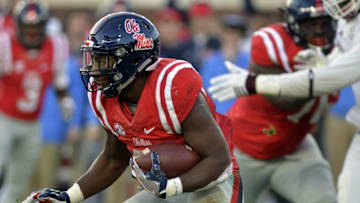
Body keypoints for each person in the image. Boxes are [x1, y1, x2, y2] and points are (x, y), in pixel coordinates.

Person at [23, 12, 243, 203]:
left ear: (131, 60)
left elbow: (218, 159)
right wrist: (70, 196)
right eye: (94, 59)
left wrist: (172, 187)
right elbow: (113, 159)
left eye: (103, 60)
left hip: (212, 181)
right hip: (162, 188)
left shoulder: (171, 88)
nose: (94, 69)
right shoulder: (105, 97)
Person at [209, 1, 360, 202]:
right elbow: (287, 101)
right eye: (310, 25)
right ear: (292, 24)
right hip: (245, 149)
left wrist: (321, 71)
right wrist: (263, 82)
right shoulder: (272, 40)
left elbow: (326, 82)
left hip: (294, 147)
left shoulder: (339, 47)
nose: (319, 32)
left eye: (324, 24)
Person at [0, 0, 72, 202]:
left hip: (32, 123)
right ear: (18, 26)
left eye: (36, 26)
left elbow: (60, 83)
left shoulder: (56, 46)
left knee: (19, 181)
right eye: (27, 26)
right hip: (4, 118)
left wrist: (65, 101)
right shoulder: (5, 44)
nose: (32, 32)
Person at [200, 14, 249, 114]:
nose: (231, 36)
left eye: (236, 33)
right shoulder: (211, 60)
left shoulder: (248, 59)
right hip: (217, 116)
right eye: (228, 32)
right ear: (222, 34)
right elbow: (204, 90)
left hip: (242, 115)